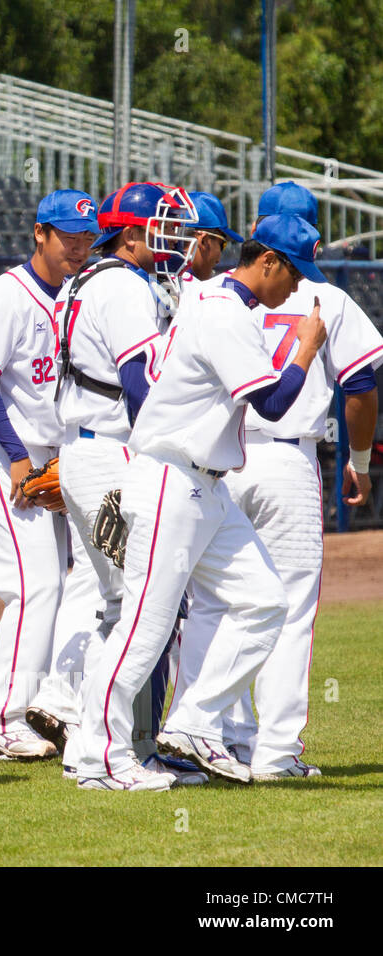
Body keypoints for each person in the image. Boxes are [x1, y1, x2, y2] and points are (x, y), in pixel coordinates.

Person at [73, 215, 329, 791]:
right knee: (144, 626)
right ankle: (98, 757)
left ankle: (191, 724)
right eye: (294, 272)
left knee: (263, 602)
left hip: (208, 486)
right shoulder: (222, 312)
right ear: (267, 261)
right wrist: (305, 350)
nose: (297, 286)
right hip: (171, 479)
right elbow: (273, 403)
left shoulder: (216, 302)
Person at [179, 183, 383, 781]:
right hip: (287, 462)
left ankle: (215, 738)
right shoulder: (325, 296)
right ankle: (274, 754)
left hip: (216, 460)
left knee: (213, 604)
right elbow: (362, 390)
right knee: (288, 609)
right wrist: (361, 462)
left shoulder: (214, 292)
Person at [38, 183, 199, 776]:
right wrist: (163, 459)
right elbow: (139, 389)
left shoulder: (85, 281)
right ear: (131, 233)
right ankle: (110, 753)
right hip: (113, 456)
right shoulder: (125, 288)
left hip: (88, 451)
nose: (173, 238)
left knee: (119, 607)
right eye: (161, 226)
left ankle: (108, 746)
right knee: (140, 605)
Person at [0, 189, 96, 761]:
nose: (78, 248)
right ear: (39, 233)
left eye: (87, 239)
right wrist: (18, 455)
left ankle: (25, 708)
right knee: (35, 583)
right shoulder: (3, 298)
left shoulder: (76, 295)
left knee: (55, 584)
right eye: (68, 237)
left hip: (50, 455)